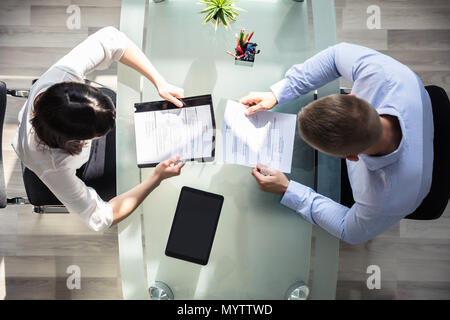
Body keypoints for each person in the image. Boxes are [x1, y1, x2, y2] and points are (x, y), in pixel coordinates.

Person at [239, 42, 433, 244]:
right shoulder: (383, 74)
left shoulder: (384, 200)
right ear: (352, 98)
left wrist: (287, 189)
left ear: (350, 158)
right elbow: (335, 56)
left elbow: (348, 231)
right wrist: (278, 93)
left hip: (403, 185)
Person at [12, 27, 185, 232]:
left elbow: (111, 39)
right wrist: (156, 179)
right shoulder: (53, 166)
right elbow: (102, 218)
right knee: (125, 177)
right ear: (76, 141)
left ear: (75, 85)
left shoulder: (61, 77)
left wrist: (160, 82)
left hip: (60, 129)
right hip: (81, 166)